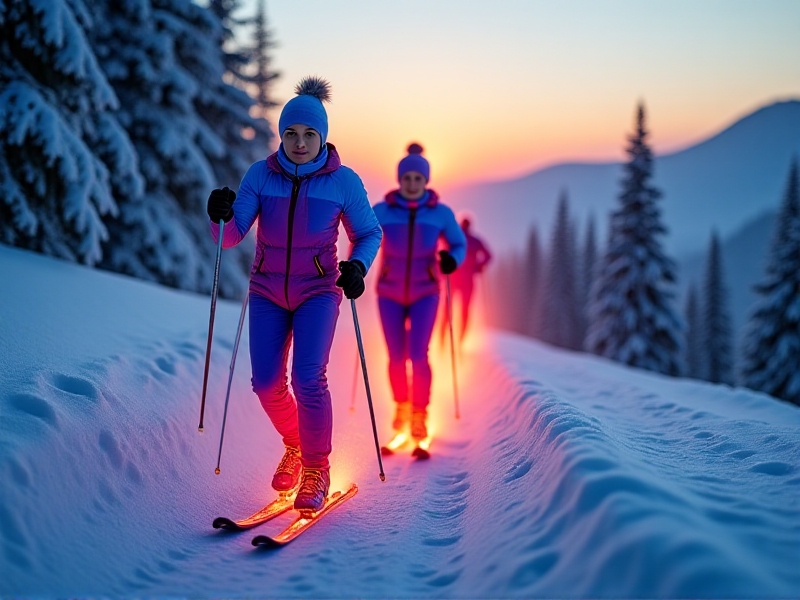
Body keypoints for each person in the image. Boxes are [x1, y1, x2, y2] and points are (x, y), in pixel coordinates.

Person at [206, 77, 382, 512]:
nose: (299, 143)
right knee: (265, 384)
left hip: (318, 291)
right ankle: (295, 444)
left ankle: (316, 467)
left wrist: (357, 267)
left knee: (308, 379)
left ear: (322, 137)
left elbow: (368, 233)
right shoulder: (260, 176)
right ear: (280, 135)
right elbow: (230, 237)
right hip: (267, 290)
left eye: (309, 134)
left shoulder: (343, 182)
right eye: (290, 133)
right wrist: (219, 215)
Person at [372, 144, 466, 442]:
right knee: (396, 356)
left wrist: (452, 259)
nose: (412, 184)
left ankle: (419, 414)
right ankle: (401, 406)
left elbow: (458, 244)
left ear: (426, 181)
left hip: (426, 291)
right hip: (388, 291)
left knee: (418, 354)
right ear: (400, 179)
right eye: (407, 178)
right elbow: (362, 236)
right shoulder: (382, 211)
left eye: (418, 178)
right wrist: (356, 267)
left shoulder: (440, 213)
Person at [439, 215, 492, 347]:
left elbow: (441, 251)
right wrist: (478, 267)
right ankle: (460, 340)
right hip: (467, 280)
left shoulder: (453, 240)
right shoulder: (475, 241)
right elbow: (488, 256)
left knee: (448, 309)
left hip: (453, 279)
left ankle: (443, 339)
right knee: (464, 310)